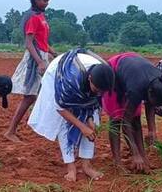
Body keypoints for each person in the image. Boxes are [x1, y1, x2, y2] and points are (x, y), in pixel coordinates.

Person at [28, 49, 114, 181]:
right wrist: (81, 126)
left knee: (92, 126)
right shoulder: (70, 81)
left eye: (102, 91)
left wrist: (89, 119)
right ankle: (71, 167)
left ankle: (86, 166)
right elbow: (61, 108)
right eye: (97, 90)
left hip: (82, 80)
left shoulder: (104, 77)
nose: (99, 93)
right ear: (90, 79)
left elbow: (94, 100)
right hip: (58, 73)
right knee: (64, 123)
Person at [102, 52, 162, 173]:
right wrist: (135, 154)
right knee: (117, 119)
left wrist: (152, 130)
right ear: (149, 93)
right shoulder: (137, 89)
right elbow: (125, 123)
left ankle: (143, 158)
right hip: (114, 72)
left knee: (136, 120)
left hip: (133, 72)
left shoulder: (160, 82)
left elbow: (149, 105)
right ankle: (118, 163)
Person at [5, 0, 57, 142]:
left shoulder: (41, 16)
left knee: (41, 93)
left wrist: (53, 53)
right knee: (30, 97)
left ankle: (41, 125)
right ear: (36, 0)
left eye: (48, 0)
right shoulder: (33, 18)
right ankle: (10, 131)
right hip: (35, 60)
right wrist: (40, 61)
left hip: (42, 55)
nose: (46, 3)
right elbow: (29, 43)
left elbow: (43, 41)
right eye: (44, 0)